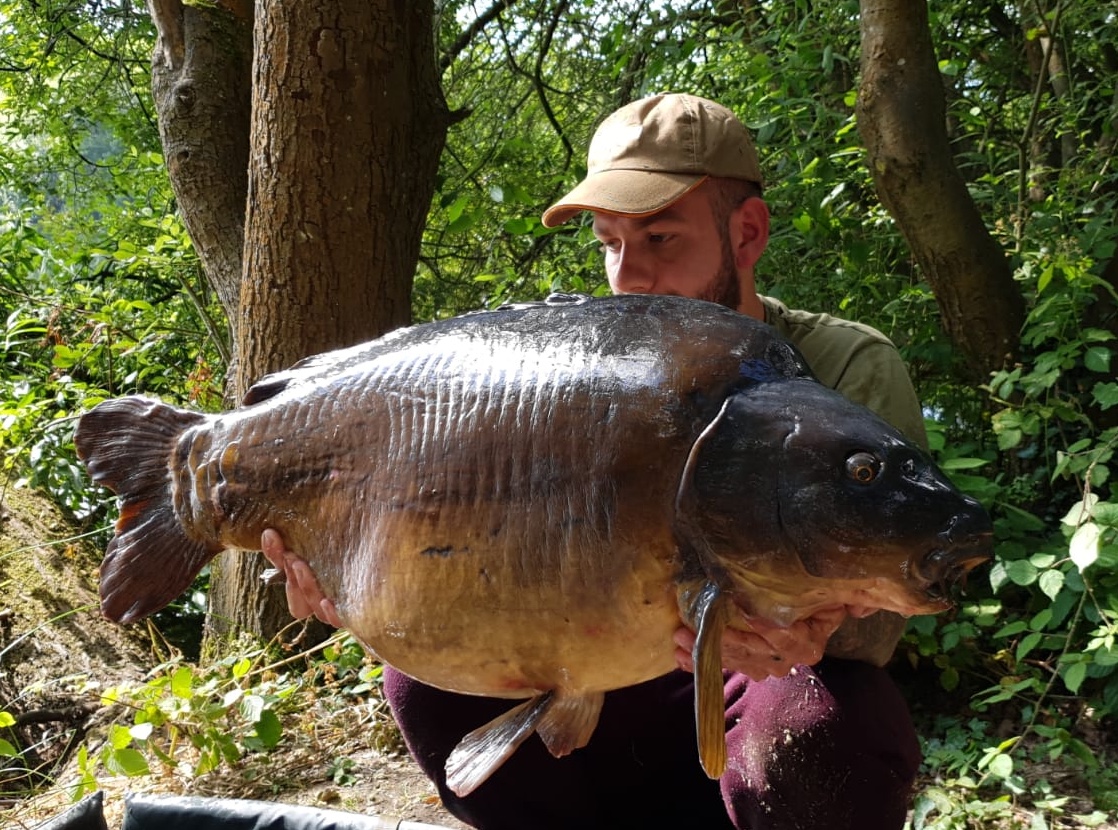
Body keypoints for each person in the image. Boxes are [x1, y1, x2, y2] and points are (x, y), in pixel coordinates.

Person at [262, 93, 928, 829]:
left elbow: (890, 610)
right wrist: (350, 575)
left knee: (825, 725)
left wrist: (805, 628)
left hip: (758, 686)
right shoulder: (568, 374)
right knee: (424, 688)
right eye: (611, 243)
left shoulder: (845, 366)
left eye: (661, 238)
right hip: (605, 670)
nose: (628, 276)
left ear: (747, 233)